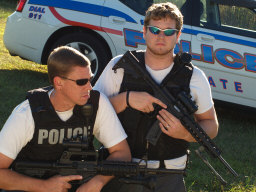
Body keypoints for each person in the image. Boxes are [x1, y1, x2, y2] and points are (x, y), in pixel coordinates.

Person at [94, 2, 218, 192]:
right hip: (118, 169)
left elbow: (211, 125)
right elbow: (90, 112)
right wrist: (126, 99)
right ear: (144, 31)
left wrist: (184, 133)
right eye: (154, 30)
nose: (161, 36)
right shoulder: (119, 66)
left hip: (169, 174)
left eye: (169, 32)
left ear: (178, 36)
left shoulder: (194, 77)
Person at [0, 46, 131, 192]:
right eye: (81, 82)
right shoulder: (27, 113)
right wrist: (44, 186)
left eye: (90, 79)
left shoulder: (97, 103)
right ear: (58, 83)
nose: (90, 87)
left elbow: (122, 153)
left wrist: (97, 182)